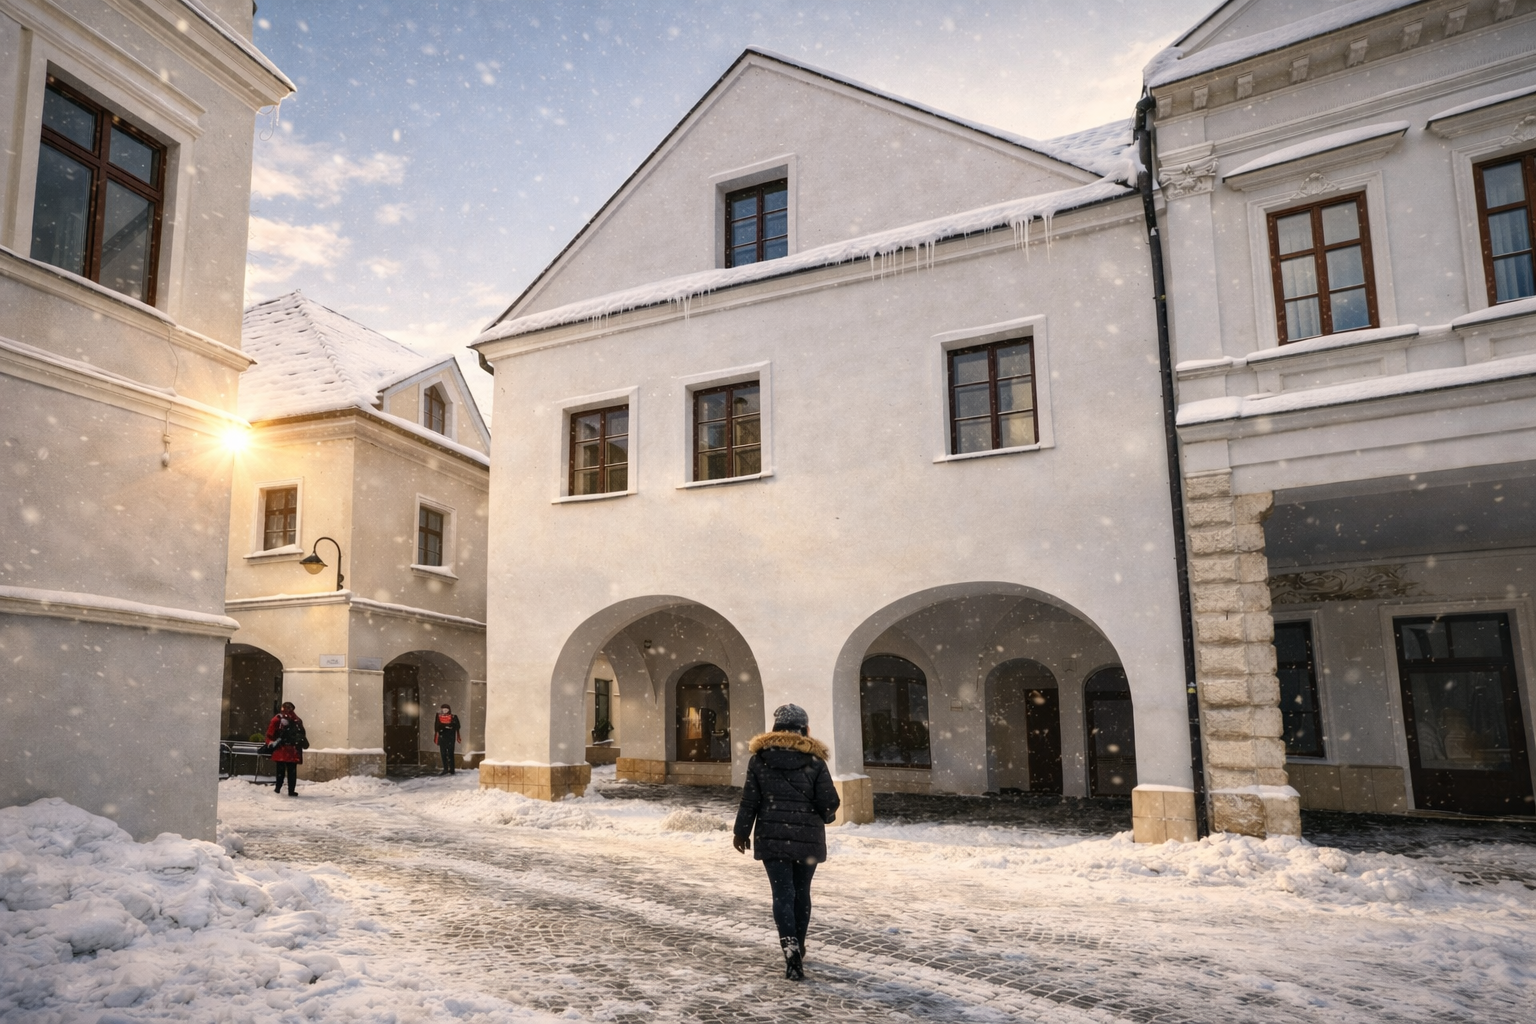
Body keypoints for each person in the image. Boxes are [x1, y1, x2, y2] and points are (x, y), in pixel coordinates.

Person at [733, 703, 840, 981]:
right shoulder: (815, 761)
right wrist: (826, 814)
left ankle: (789, 946)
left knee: (782, 894)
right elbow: (829, 802)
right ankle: (800, 945)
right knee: (801, 892)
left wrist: (741, 832)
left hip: (772, 835)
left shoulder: (759, 759)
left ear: (775, 729)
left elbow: (750, 800)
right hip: (808, 837)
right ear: (804, 729)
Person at [265, 701, 305, 797]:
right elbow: (302, 734)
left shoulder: (277, 719)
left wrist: (270, 742)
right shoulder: (297, 719)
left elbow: (270, 733)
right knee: (292, 771)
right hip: (292, 750)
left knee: (280, 771)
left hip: (281, 749)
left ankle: (277, 789)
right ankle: (291, 791)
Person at [433, 704, 461, 775]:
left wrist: (446, 726)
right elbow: (437, 727)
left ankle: (452, 769)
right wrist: (446, 726)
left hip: (451, 737)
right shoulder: (438, 717)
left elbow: (457, 726)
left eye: (446, 709)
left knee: (451, 753)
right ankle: (445, 769)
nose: (445, 711)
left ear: (449, 710)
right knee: (443, 753)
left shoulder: (454, 717)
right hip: (442, 737)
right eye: (443, 709)